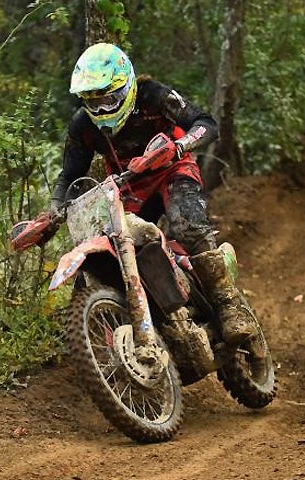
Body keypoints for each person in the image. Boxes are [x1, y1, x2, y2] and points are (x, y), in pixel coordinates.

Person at [48, 43, 253, 345]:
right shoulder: (83, 125)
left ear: (126, 86)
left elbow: (206, 123)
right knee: (117, 247)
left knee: (188, 227)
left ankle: (229, 305)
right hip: (128, 187)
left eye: (109, 99)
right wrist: (55, 206)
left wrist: (181, 145)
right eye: (94, 102)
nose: (103, 109)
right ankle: (144, 317)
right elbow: (69, 175)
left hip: (172, 168)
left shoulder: (152, 96)